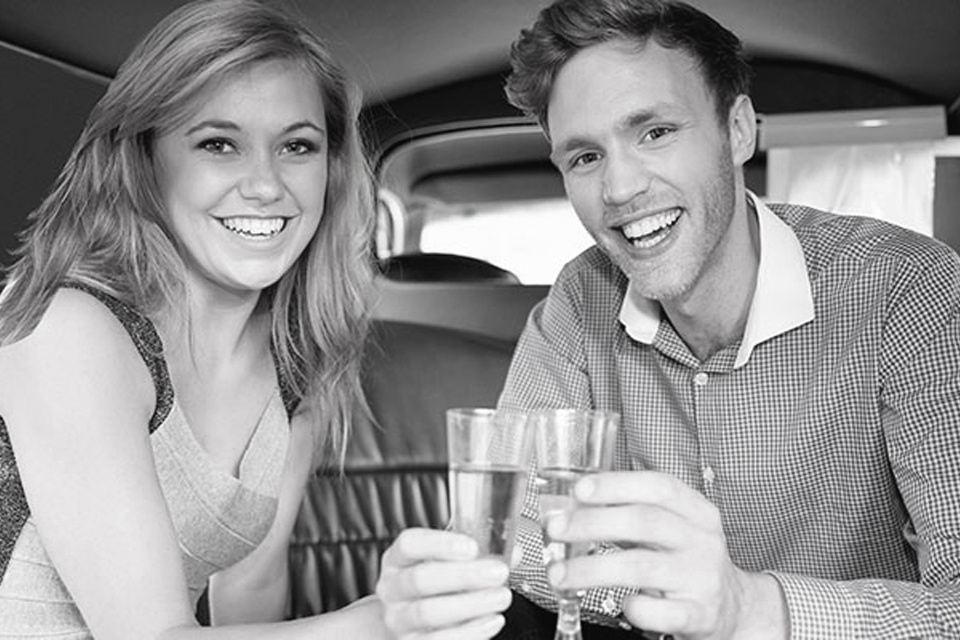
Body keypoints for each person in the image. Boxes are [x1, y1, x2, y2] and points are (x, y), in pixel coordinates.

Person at [0, 1, 511, 638]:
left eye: (297, 146)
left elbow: (250, 590)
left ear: (331, 170)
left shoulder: (299, 364)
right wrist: (382, 622)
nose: (266, 186)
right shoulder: (69, 328)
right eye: (219, 144)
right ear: (144, 159)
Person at [495, 0, 960, 638]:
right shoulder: (578, 300)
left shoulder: (908, 288)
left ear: (738, 130)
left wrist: (749, 609)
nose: (620, 188)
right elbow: (510, 529)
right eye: (584, 157)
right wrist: (666, 592)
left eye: (655, 132)